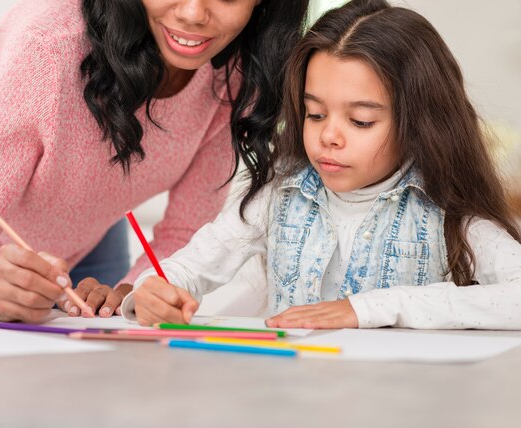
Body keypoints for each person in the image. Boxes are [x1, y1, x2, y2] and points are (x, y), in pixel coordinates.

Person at [0, 0, 310, 323]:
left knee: (102, 364)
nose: (192, 14)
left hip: (87, 219)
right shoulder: (48, 46)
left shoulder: (239, 76)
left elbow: (184, 234)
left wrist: (137, 290)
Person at [122, 0, 521, 330]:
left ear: (418, 123)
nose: (329, 136)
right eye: (314, 114)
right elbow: (187, 269)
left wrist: (367, 308)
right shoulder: (276, 198)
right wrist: (153, 290)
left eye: (360, 121)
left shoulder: (448, 213)